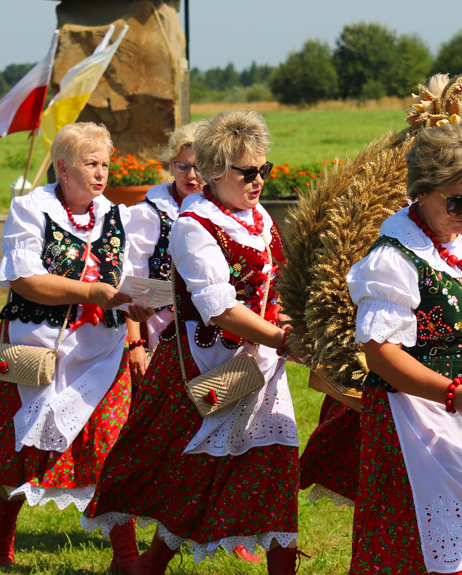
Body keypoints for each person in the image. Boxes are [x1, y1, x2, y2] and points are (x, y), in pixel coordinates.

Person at [82, 109, 303, 575]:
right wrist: (282, 339)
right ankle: (145, 565)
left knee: (276, 473)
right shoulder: (193, 224)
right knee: (192, 475)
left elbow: (275, 284)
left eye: (263, 169)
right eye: (248, 172)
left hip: (262, 366)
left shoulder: (259, 216)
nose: (259, 180)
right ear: (215, 172)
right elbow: (219, 307)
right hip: (209, 366)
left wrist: (295, 320)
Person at [0, 122, 153, 572]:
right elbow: (25, 280)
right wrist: (92, 292)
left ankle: (126, 556)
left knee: (110, 445)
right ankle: (1, 537)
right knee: (22, 445)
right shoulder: (30, 208)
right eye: (91, 164)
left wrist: (136, 322)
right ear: (63, 168)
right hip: (36, 346)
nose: (101, 174)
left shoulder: (118, 214)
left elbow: (128, 278)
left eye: (106, 165)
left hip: (103, 348)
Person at [346, 124, 462, 574]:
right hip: (413, 417)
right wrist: (452, 394)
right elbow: (381, 354)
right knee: (415, 543)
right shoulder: (393, 260)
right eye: (457, 201)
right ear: (420, 192)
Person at [126, 121, 203, 386]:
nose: (191, 175)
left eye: (199, 166)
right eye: (183, 166)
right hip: (160, 328)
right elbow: (132, 282)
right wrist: (136, 343)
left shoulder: (220, 207)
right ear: (171, 165)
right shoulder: (149, 213)